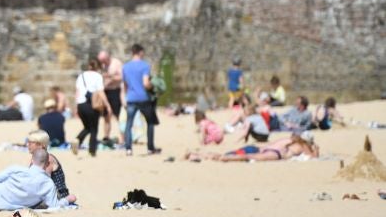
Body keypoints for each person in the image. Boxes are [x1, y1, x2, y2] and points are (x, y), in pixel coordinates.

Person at [121, 43, 161, 156]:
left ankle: (128, 149)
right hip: (143, 98)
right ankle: (150, 148)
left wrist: (125, 97)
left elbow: (124, 85)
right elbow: (145, 83)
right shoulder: (145, 66)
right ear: (140, 52)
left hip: (131, 98)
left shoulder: (125, 66)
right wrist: (153, 87)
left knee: (129, 124)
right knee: (150, 123)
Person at [186, 132, 319, 162]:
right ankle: (224, 158)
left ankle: (198, 155)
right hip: (275, 154)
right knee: (248, 156)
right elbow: (312, 157)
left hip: (261, 147)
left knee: (241, 153)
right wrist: (316, 149)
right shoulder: (302, 145)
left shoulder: (289, 139)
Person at [72, 57, 109, 157]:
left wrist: (75, 107)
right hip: (92, 105)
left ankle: (78, 139)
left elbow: (77, 92)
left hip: (81, 105)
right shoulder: (98, 76)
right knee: (93, 129)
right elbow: (101, 92)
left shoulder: (81, 76)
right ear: (98, 67)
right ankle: (92, 151)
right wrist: (107, 105)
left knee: (87, 127)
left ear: (89, 66)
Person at [98, 49, 123, 143]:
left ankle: (123, 137)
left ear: (107, 58)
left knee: (118, 115)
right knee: (106, 116)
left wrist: (110, 77)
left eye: (103, 60)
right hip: (105, 92)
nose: (103, 63)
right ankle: (106, 136)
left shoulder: (117, 63)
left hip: (115, 91)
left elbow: (122, 77)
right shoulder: (103, 65)